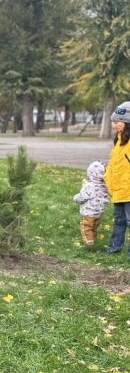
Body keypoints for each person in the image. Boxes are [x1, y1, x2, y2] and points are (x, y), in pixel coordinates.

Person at [104, 101, 130, 256]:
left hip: (128, 189)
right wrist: (107, 178)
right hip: (119, 188)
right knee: (119, 220)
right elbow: (114, 163)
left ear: (127, 122)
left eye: (117, 122)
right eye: (113, 121)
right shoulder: (118, 139)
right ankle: (114, 249)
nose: (114, 125)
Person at [73, 161, 109, 246]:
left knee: (86, 227)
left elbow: (83, 197)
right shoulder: (104, 185)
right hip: (99, 212)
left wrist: (75, 198)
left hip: (88, 212)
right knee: (94, 227)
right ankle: (93, 238)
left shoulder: (89, 186)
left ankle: (89, 242)